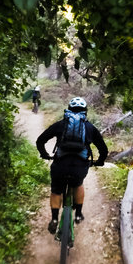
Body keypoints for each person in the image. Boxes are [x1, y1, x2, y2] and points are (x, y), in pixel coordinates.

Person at [36, 97, 108, 234]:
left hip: (60, 165)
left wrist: (44, 154)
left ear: (68, 109)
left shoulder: (61, 124)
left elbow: (40, 140)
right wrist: (100, 161)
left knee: (56, 190)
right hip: (79, 167)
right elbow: (103, 149)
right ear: (85, 111)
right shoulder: (90, 127)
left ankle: (55, 219)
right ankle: (79, 214)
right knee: (78, 184)